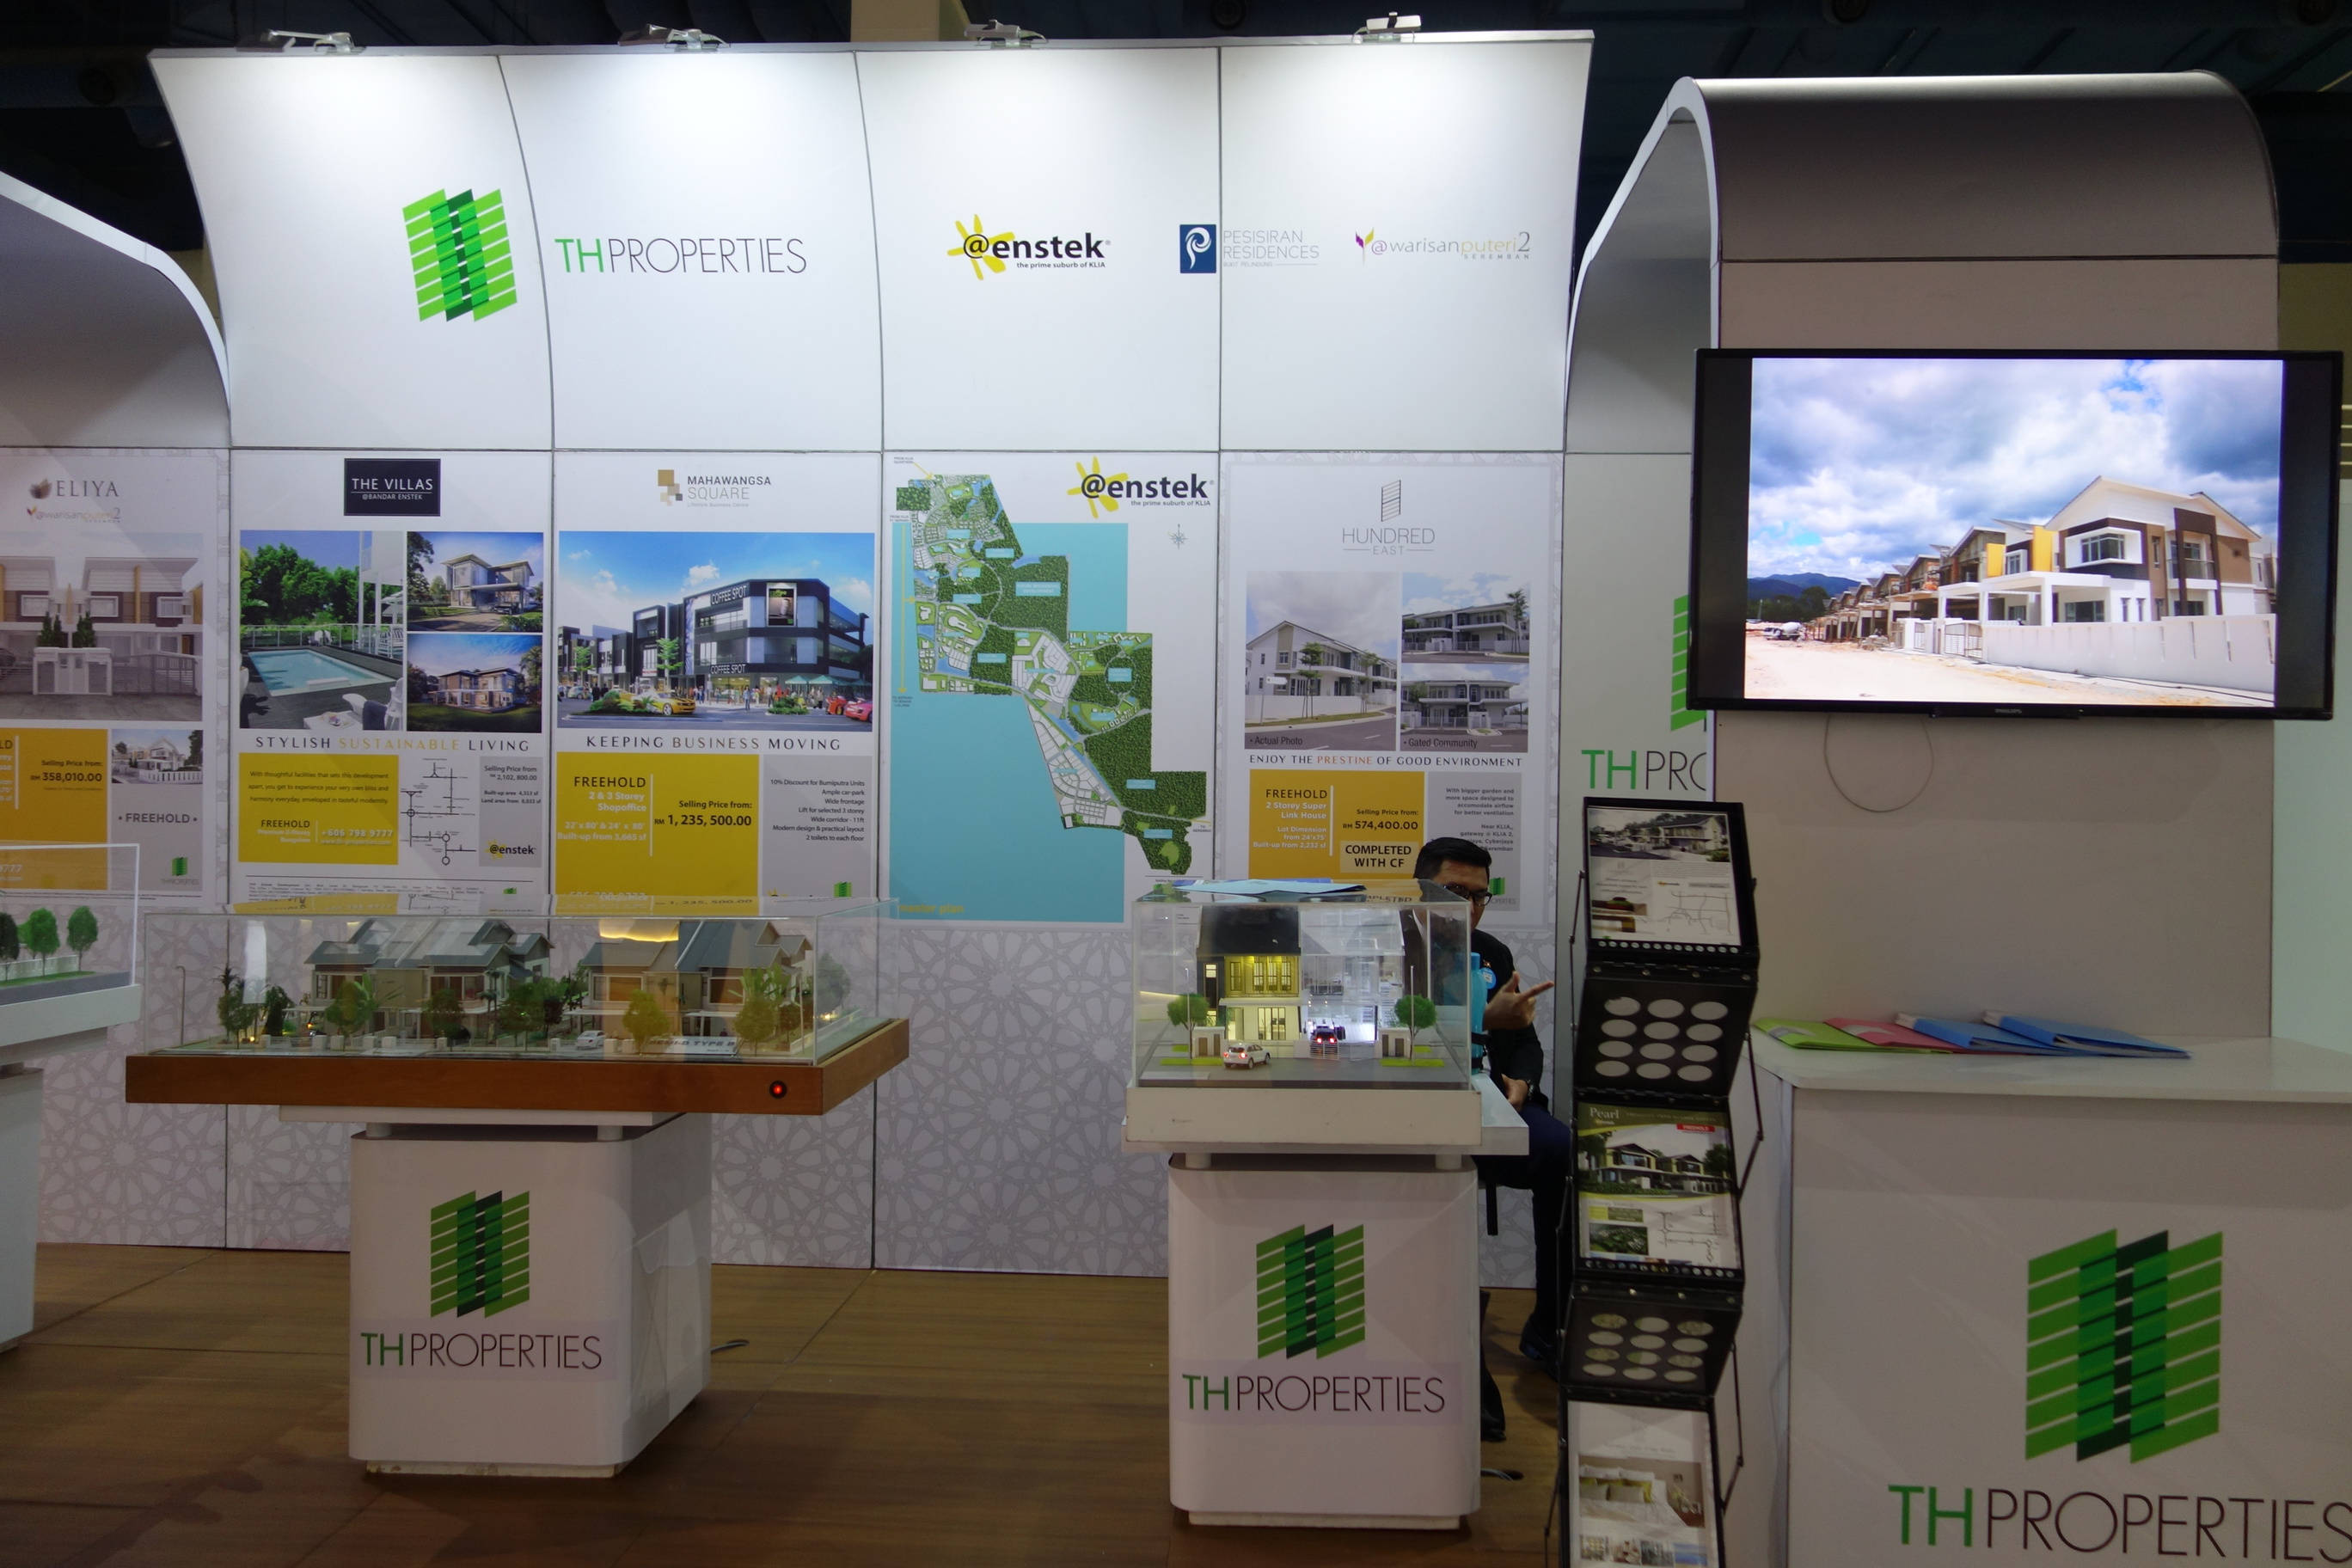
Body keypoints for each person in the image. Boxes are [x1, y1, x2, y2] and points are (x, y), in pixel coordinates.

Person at [1413, 836, 1571, 1434]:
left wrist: (1522, 1083)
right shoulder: (1384, 945)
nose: (1470, 907)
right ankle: (1449, 1357)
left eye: (1480, 896)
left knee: (1562, 1153)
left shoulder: (1491, 952)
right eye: (1456, 892)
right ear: (1421, 890)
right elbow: (1395, 1036)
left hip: (1495, 1107)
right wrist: (1482, 1020)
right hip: (1418, 1114)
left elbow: (1523, 1040)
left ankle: (1550, 1327)